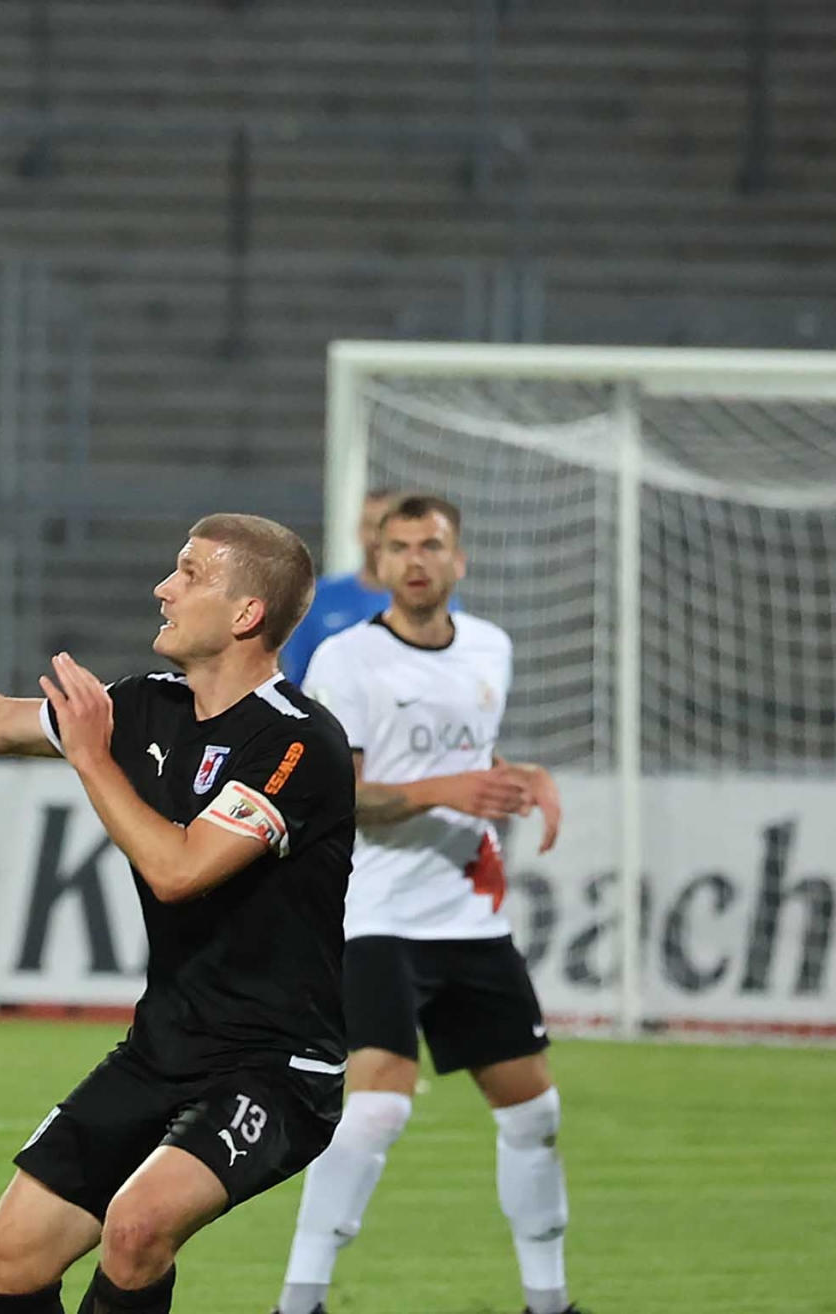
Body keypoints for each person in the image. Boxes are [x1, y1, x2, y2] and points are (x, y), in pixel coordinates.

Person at [0, 514, 356, 1314]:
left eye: (190, 573)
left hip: (278, 1069)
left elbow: (179, 871)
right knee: (7, 1257)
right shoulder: (144, 706)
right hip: (163, 1048)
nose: (164, 588)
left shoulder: (299, 744)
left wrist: (93, 758)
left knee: (137, 1228)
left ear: (246, 615)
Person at [273, 494, 575, 1314]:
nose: (415, 559)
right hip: (376, 917)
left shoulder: (490, 648)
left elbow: (473, 752)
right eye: (399, 545)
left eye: (431, 544)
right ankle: (298, 1302)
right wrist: (447, 789)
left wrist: (520, 776)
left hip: (471, 920)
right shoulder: (346, 659)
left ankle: (550, 1302)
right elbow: (341, 795)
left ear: (458, 560)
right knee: (373, 1113)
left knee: (534, 1114)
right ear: (379, 562)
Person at [279, 488, 398, 682]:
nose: (375, 538)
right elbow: (296, 678)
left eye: (383, 527)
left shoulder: (433, 605)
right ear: (358, 531)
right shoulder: (317, 599)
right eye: (369, 526)